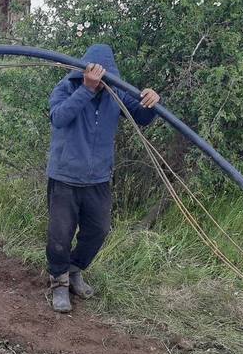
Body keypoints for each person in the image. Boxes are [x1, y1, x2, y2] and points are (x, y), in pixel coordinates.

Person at [47, 44, 161, 313]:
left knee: (98, 230)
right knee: (60, 235)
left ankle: (75, 270)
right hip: (65, 177)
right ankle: (59, 282)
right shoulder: (66, 87)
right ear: (84, 73)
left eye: (103, 78)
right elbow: (59, 118)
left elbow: (142, 117)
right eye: (95, 77)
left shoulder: (116, 93)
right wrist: (86, 89)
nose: (100, 83)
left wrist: (153, 102)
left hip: (98, 178)